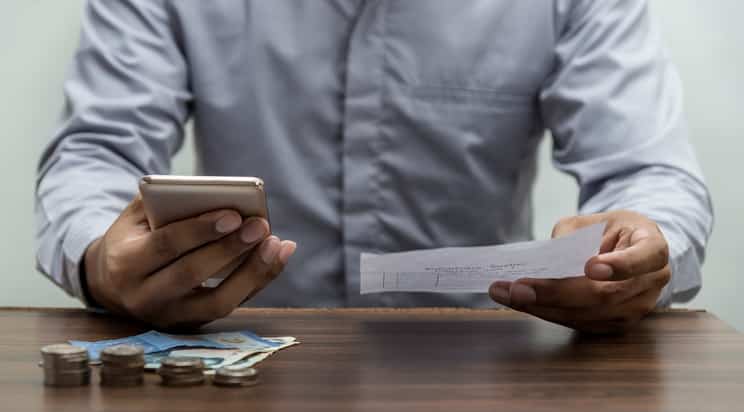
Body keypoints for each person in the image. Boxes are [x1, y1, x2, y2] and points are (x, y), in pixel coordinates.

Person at [35, 0, 713, 333]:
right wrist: (102, 259)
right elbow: (97, 156)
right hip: (231, 383)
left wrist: (645, 248)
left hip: (487, 393)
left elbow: (647, 174)